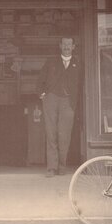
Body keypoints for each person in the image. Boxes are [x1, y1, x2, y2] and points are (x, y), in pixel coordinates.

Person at [38, 36, 82, 177]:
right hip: (51, 99)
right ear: (60, 46)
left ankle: (62, 166)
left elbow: (82, 84)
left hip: (68, 102)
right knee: (51, 134)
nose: (67, 46)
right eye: (64, 44)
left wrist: (76, 102)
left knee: (64, 135)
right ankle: (51, 167)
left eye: (69, 44)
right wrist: (42, 94)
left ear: (73, 46)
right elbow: (40, 79)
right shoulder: (51, 61)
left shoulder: (78, 63)